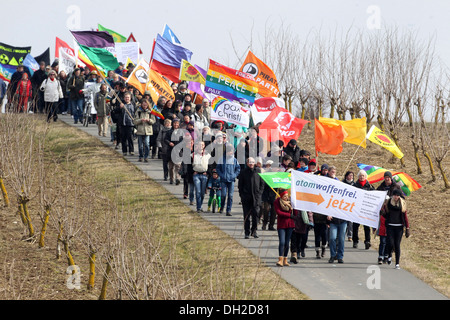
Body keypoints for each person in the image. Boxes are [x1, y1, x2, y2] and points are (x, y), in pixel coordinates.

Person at [381, 188, 410, 269]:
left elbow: (405, 216)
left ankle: (397, 263)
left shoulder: (402, 204)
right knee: (390, 243)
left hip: (399, 227)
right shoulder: (388, 203)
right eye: (394, 195)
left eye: (397, 195)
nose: (396, 197)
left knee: (397, 245)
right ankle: (389, 255)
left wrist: (407, 228)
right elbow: (385, 214)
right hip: (390, 225)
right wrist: (382, 213)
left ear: (399, 196)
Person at [238, 157, 265, 239]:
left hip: (256, 197)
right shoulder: (243, 172)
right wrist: (242, 195)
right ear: (247, 163)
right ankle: (247, 232)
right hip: (246, 197)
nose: (251, 164)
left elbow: (262, 184)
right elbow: (240, 186)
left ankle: (254, 231)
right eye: (250, 162)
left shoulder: (258, 171)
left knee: (256, 215)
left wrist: (259, 194)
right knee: (246, 216)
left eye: (253, 162)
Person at [215, 145, 240, 216]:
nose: (230, 153)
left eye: (231, 151)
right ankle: (221, 207)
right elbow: (218, 168)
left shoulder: (234, 160)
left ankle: (228, 210)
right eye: (229, 151)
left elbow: (238, 169)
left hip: (231, 180)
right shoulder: (221, 159)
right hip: (223, 180)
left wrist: (234, 175)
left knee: (230, 195)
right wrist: (221, 175)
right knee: (223, 195)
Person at [353, 170, 375, 249]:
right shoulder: (354, 185)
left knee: (366, 226)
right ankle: (355, 241)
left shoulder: (369, 186)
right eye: (360, 176)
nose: (362, 177)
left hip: (366, 209)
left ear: (365, 177)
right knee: (355, 226)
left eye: (363, 176)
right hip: (357, 209)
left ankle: (367, 241)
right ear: (358, 177)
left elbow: (374, 196)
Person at [273, 190, 295, 267]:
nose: (286, 198)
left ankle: (285, 259)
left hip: (290, 224)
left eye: (287, 196)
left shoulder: (291, 202)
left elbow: (295, 213)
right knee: (282, 242)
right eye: (284, 196)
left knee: (287, 242)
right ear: (281, 196)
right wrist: (289, 215)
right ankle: (280, 259)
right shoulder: (277, 202)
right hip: (282, 224)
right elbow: (279, 212)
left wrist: (293, 210)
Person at [192, 141, 211, 213]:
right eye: (199, 144)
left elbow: (211, 165)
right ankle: (198, 207)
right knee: (198, 191)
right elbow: (189, 164)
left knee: (202, 192)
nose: (200, 146)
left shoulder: (207, 155)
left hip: (204, 175)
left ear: (204, 146)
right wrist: (192, 171)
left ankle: (201, 204)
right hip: (196, 175)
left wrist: (208, 172)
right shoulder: (193, 154)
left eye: (202, 145)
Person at [165, 118, 184, 185]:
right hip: (171, 151)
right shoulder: (169, 132)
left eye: (177, 123)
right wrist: (169, 143)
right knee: (171, 167)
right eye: (174, 123)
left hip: (178, 151)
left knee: (178, 166)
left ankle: (178, 178)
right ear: (172, 124)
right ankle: (171, 179)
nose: (176, 124)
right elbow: (165, 139)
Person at [119, 92, 136, 156]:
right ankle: (124, 151)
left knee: (130, 138)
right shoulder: (122, 104)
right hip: (123, 123)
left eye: (128, 97)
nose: (127, 99)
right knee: (123, 138)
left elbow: (135, 113)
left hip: (130, 123)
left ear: (130, 98)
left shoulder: (133, 104)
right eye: (126, 97)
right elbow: (116, 111)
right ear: (124, 98)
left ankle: (131, 150)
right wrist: (120, 108)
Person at [342, 171, 355, 242]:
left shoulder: (354, 184)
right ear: (346, 176)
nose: (351, 177)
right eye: (349, 175)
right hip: (343, 203)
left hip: (351, 204)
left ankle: (350, 235)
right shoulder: (342, 183)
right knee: (343, 220)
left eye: (352, 176)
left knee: (350, 221)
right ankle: (342, 234)